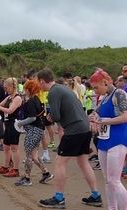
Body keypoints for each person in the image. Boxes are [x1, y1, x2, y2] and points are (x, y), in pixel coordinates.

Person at [37, 69, 102, 209]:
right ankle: (96, 195)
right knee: (83, 162)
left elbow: (56, 115)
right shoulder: (63, 88)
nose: (39, 86)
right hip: (84, 128)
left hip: (74, 130)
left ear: (42, 81)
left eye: (39, 83)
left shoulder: (53, 92)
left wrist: (50, 118)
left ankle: (59, 197)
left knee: (60, 162)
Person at [89, 69, 127, 210]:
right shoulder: (105, 97)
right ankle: (112, 208)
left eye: (96, 87)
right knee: (107, 181)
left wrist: (103, 122)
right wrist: (93, 119)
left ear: (105, 82)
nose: (95, 91)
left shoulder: (119, 94)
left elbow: (125, 117)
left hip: (118, 139)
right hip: (104, 140)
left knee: (114, 181)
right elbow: (95, 113)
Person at [14, 79, 54, 186]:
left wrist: (20, 123)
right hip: (38, 129)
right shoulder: (36, 99)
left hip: (34, 129)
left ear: (28, 89)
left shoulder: (31, 101)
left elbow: (31, 118)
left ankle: (27, 178)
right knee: (33, 155)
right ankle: (46, 172)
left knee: (28, 154)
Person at [0, 77, 22, 178]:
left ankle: (16, 169)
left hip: (15, 123)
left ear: (11, 86)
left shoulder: (17, 98)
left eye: (6, 88)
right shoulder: (9, 97)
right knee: (6, 146)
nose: (5, 90)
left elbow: (10, 110)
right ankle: (5, 166)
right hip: (7, 123)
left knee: (14, 147)